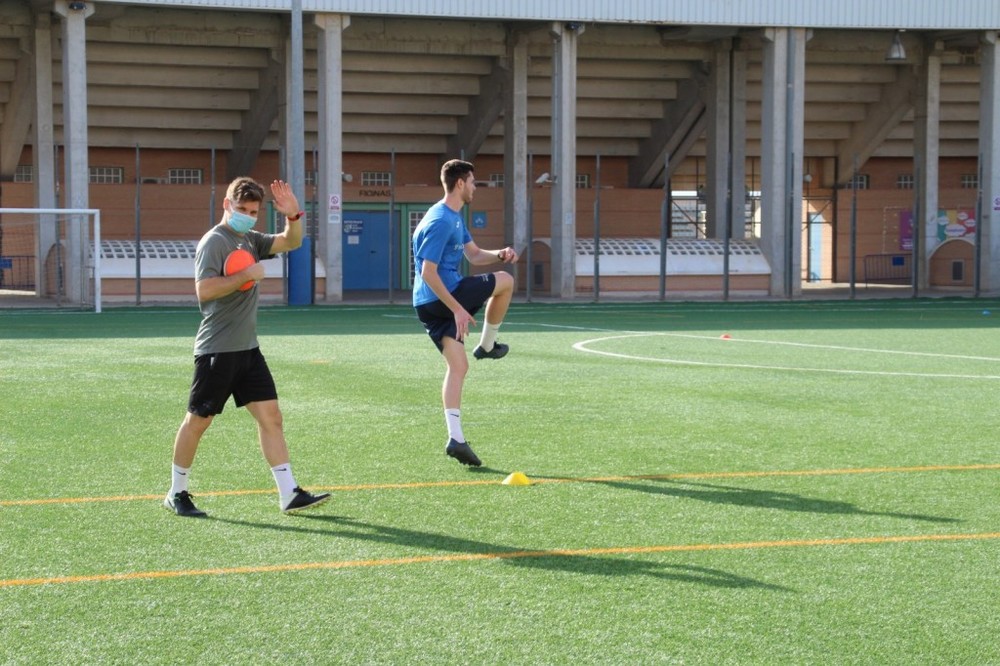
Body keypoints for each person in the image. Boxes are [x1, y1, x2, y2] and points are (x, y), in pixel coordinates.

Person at [164, 176, 330, 517]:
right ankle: (176, 493)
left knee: (272, 418)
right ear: (227, 205)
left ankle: (289, 493)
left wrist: (294, 215)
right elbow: (204, 291)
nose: (248, 215)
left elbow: (291, 243)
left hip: (248, 351)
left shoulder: (250, 238)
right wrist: (246, 276)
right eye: (242, 209)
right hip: (217, 350)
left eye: (254, 211)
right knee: (198, 421)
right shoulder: (215, 242)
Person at [412, 159, 518, 467]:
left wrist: (499, 253)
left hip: (428, 305)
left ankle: (455, 439)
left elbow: (473, 254)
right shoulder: (441, 220)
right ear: (460, 183)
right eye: (473, 182)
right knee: (506, 282)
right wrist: (457, 309)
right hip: (442, 296)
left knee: (458, 368)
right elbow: (428, 272)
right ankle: (487, 345)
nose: (475, 187)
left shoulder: (454, 217)